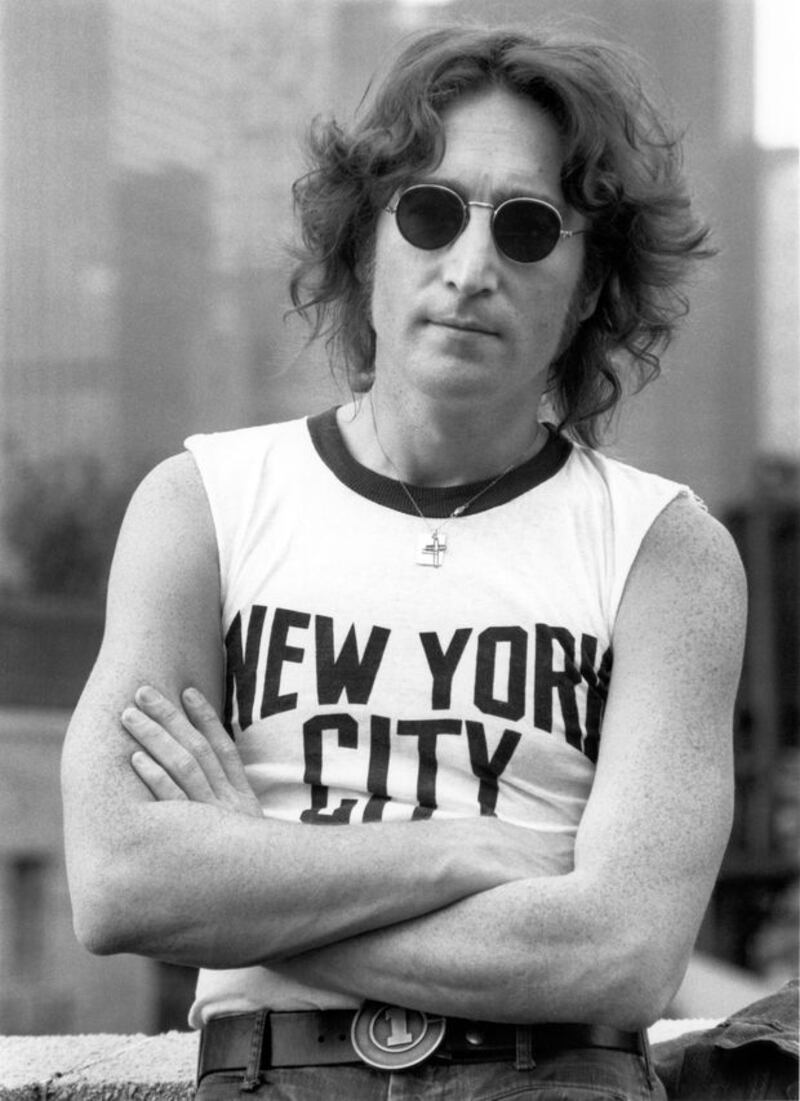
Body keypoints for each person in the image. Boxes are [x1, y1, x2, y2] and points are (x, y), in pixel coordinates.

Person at [61, 23, 748, 1101]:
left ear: (585, 288)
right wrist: (456, 852)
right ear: (364, 243)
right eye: (428, 213)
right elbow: (119, 884)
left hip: (553, 1080)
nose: (469, 268)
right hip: (266, 1081)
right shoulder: (201, 505)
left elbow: (618, 952)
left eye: (527, 230)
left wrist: (250, 883)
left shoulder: (665, 551)